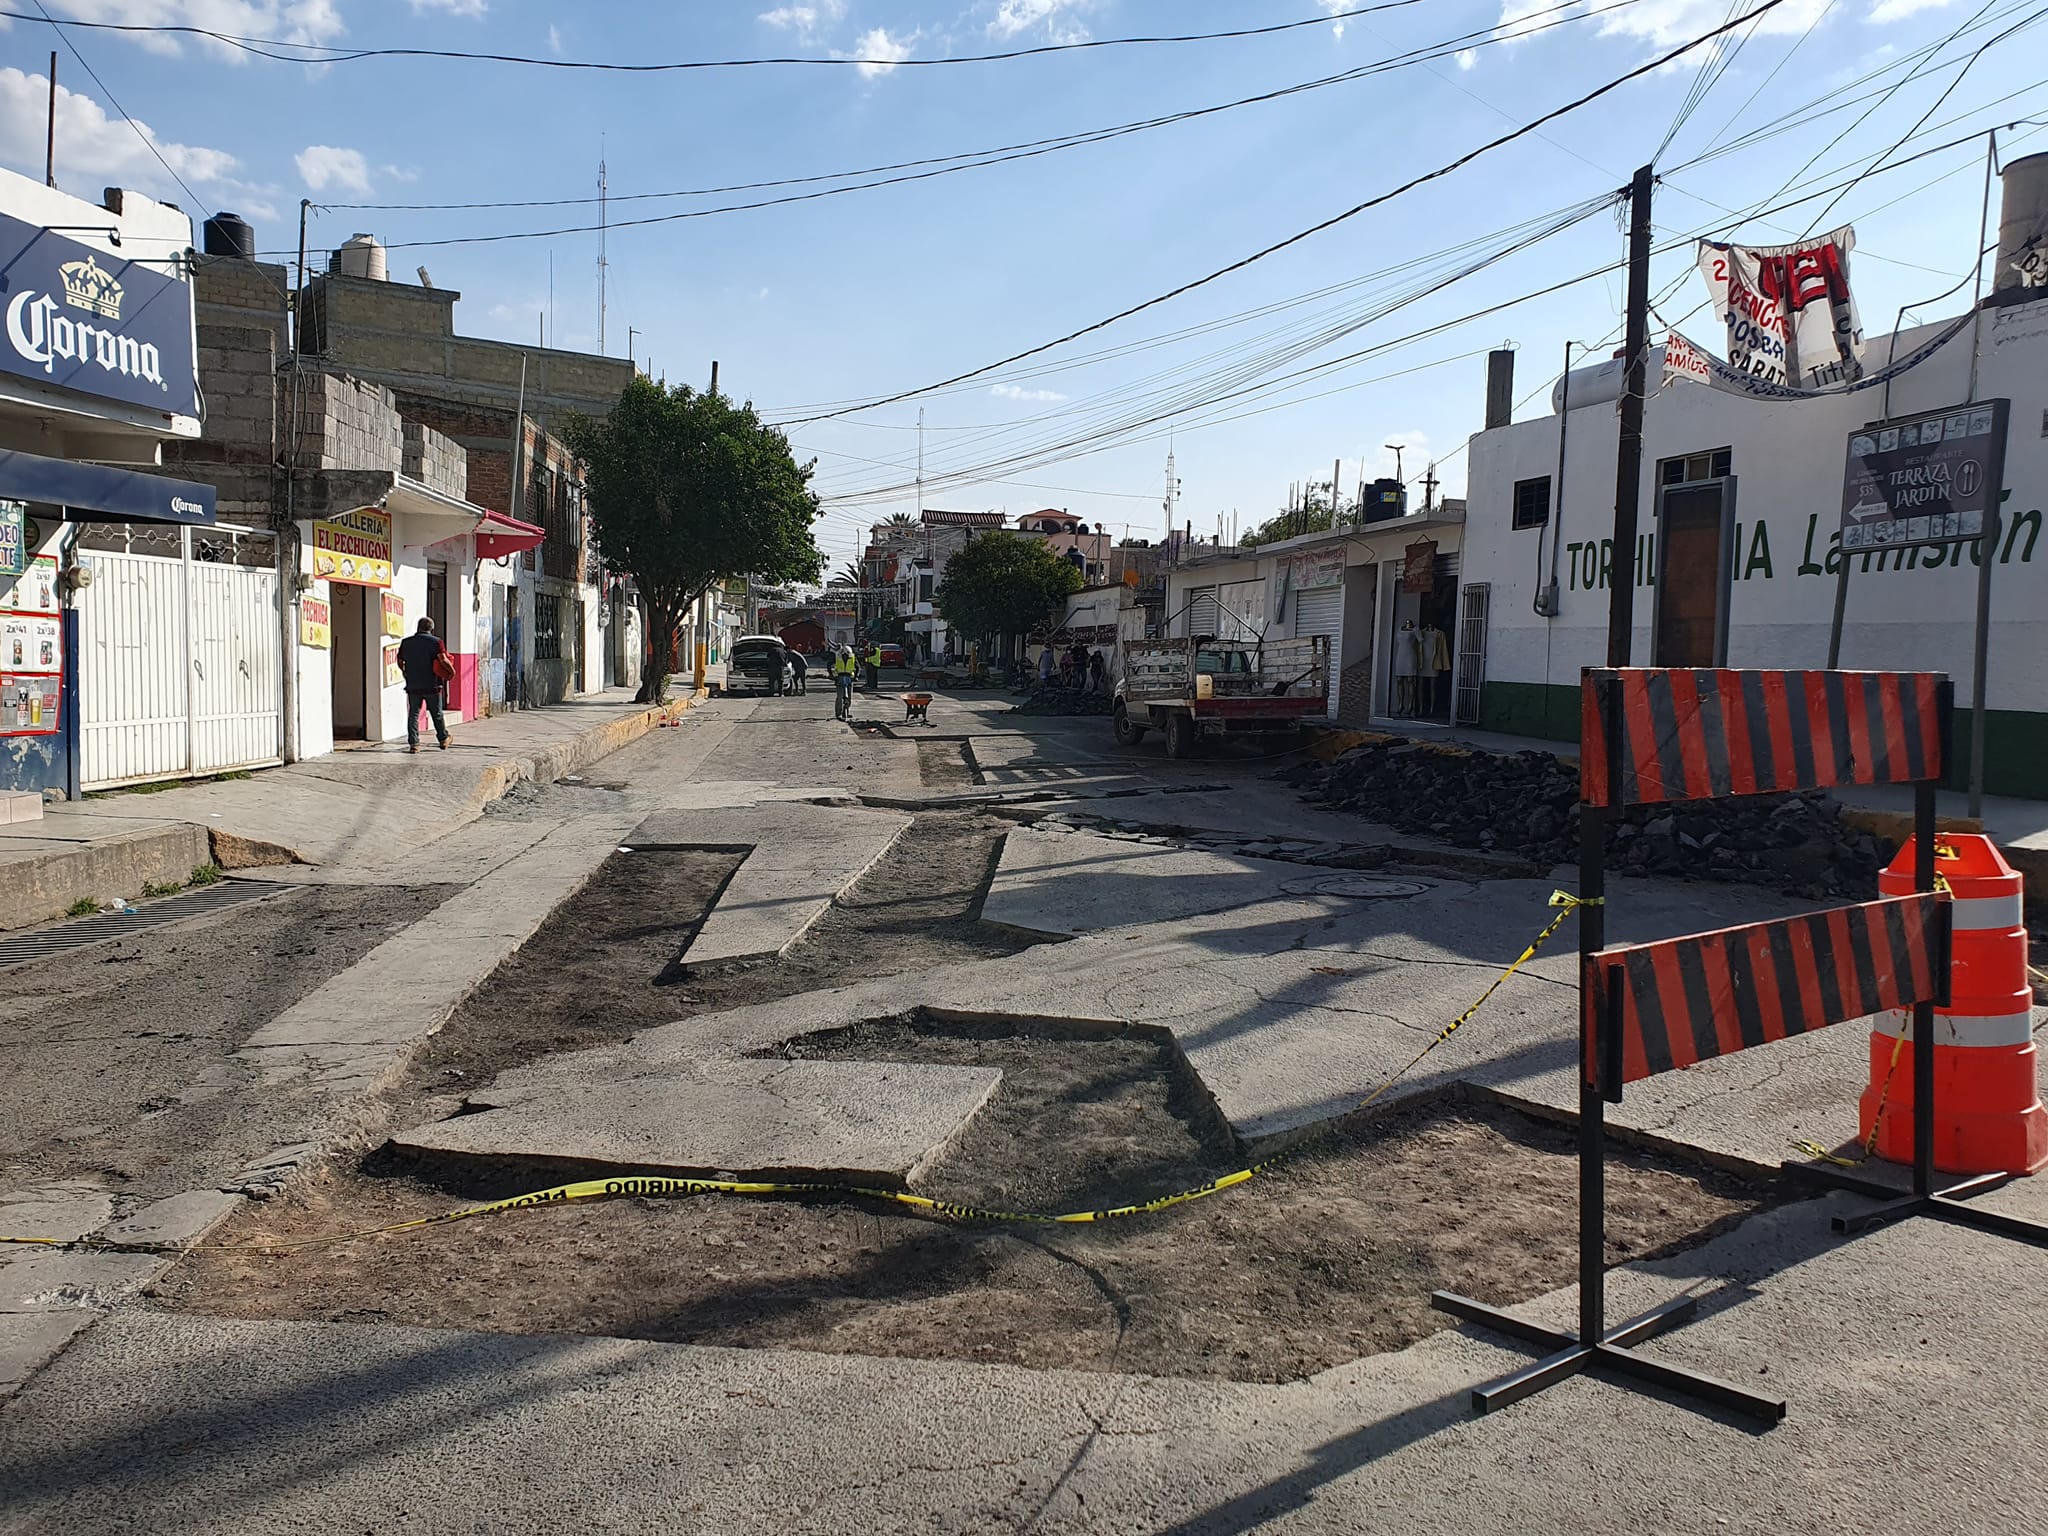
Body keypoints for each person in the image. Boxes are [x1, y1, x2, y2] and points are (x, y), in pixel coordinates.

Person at [396, 616, 453, 753]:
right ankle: (443, 738)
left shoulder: (406, 642)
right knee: (436, 713)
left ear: (418, 627)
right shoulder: (436, 642)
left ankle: (414, 744)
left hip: (413, 684)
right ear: (431, 629)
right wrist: (452, 671)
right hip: (432, 684)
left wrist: (404, 672)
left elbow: (399, 659)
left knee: (413, 714)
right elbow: (443, 660)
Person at [1416, 619, 1449, 718]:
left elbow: (1443, 649)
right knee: (1420, 686)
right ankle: (1421, 708)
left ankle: (1432, 709)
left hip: (1434, 662)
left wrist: (1445, 664)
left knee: (1433, 686)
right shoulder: (1420, 633)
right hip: (1422, 662)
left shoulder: (1439, 634)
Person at [1392, 618, 1418, 718]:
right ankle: (1400, 704)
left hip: (1410, 656)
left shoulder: (1415, 629)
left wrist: (1416, 631)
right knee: (1399, 680)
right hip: (1400, 656)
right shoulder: (1400, 629)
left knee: (1410, 680)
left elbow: (1420, 640)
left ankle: (1411, 705)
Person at [832, 645, 857, 717]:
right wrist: (832, 674)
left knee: (849, 696)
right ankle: (838, 712)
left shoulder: (852, 657)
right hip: (840, 677)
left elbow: (857, 666)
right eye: (845, 654)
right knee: (839, 696)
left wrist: (856, 676)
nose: (847, 656)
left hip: (849, 677)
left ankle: (847, 711)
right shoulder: (838, 657)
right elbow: (830, 664)